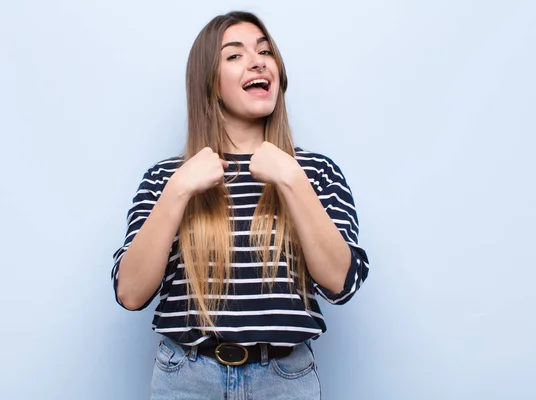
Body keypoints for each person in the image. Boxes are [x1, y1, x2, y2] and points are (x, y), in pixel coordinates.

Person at [111, 10, 370, 399]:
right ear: (210, 82)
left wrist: (291, 178)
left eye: (265, 51)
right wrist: (179, 190)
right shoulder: (166, 179)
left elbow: (342, 284)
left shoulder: (315, 173)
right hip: (186, 379)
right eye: (234, 55)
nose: (257, 61)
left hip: (285, 380)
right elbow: (130, 293)